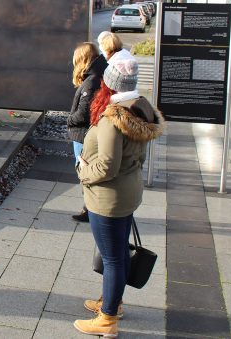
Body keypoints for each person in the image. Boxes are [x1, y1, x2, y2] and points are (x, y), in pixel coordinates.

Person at [73, 57, 164, 337]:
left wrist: (83, 172)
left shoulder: (114, 118)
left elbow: (108, 165)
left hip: (108, 199)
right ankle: (113, 302)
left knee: (113, 258)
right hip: (128, 193)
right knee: (119, 253)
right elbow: (138, 158)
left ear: (109, 84)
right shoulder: (140, 109)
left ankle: (108, 319)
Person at [69, 33, 112, 223]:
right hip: (90, 132)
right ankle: (90, 208)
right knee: (89, 170)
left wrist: (69, 120)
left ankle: (90, 210)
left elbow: (83, 113)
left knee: (85, 171)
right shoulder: (102, 73)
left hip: (83, 134)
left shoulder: (91, 80)